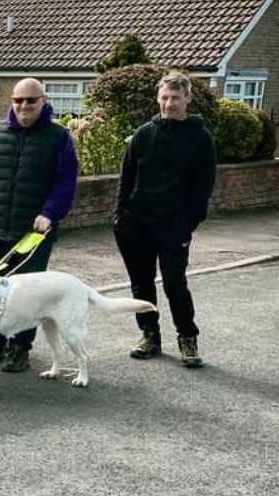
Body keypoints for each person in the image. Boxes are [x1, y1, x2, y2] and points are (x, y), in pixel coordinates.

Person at [0, 78, 78, 372]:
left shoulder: (59, 137)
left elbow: (66, 183)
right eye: (18, 100)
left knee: (28, 297)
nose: (24, 106)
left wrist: (50, 213)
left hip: (33, 235)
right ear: (12, 102)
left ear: (43, 101)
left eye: (30, 100)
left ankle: (20, 348)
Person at [115, 71, 216, 368]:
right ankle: (149, 334)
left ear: (187, 99)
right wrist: (119, 218)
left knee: (174, 283)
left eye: (175, 98)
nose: (169, 103)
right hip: (136, 224)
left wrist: (188, 225)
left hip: (174, 225)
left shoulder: (200, 138)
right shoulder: (144, 134)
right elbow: (126, 178)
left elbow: (203, 187)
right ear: (158, 99)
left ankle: (187, 337)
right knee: (141, 285)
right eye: (164, 97)